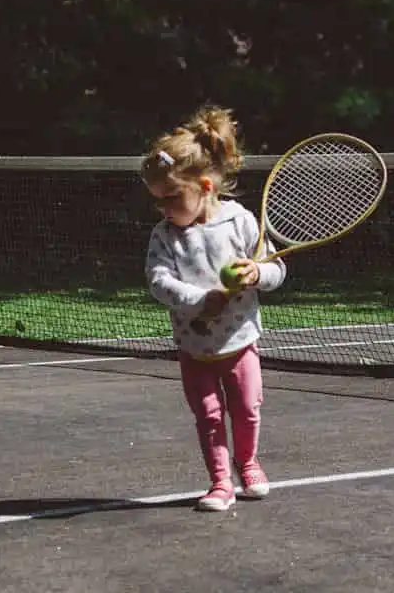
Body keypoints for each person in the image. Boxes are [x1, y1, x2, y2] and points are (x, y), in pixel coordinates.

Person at [140, 105, 287, 512]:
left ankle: (248, 463)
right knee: (208, 416)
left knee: (247, 409)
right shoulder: (165, 236)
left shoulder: (239, 222)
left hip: (240, 343)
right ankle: (220, 483)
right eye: (158, 202)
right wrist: (199, 300)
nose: (165, 209)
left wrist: (257, 273)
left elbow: (276, 270)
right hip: (194, 349)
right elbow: (158, 281)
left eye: (171, 198)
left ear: (204, 186)